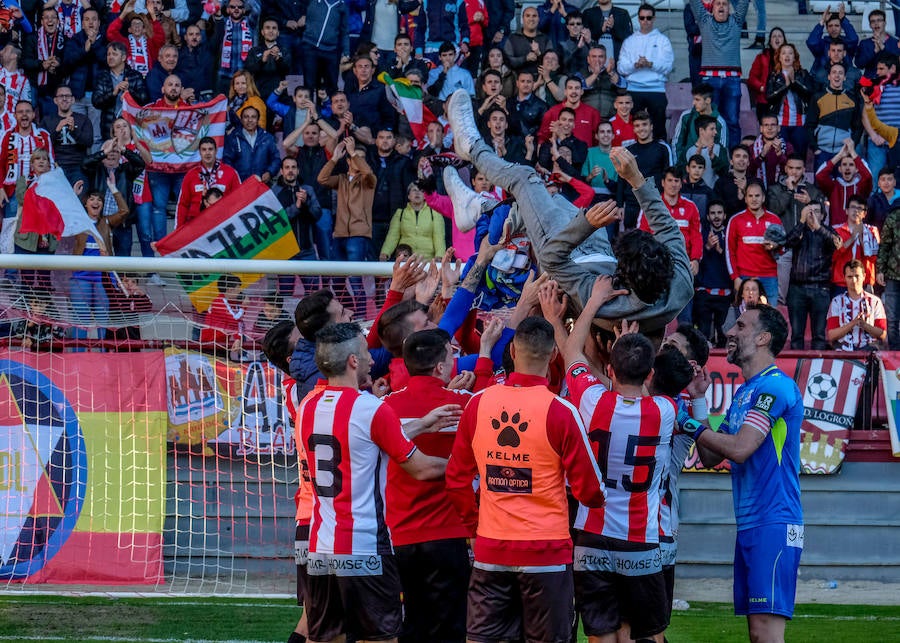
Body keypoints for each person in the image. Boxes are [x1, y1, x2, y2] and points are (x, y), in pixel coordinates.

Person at [447, 89, 693, 333]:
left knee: (526, 178)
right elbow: (668, 228)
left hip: (564, 259)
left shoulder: (604, 303)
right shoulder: (680, 284)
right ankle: (479, 207)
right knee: (557, 200)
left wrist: (586, 224)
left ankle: (472, 147)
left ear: (622, 278)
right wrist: (636, 179)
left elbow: (552, 257)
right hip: (596, 251)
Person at [445, 315, 606, 643]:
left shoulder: (479, 404)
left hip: (491, 548)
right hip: (545, 553)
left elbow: (456, 478)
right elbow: (591, 491)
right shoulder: (561, 411)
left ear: (513, 353)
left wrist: (473, 529)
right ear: (552, 358)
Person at [298, 322, 458, 643]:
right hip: (364, 546)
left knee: (325, 638)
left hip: (320, 547)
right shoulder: (370, 407)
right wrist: (472, 466)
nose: (372, 360)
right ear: (352, 361)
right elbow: (422, 469)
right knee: (381, 638)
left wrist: (420, 425)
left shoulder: (308, 406)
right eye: (366, 352)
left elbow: (361, 443)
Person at [555, 279, 675, 643]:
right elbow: (644, 387)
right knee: (649, 635)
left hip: (591, 539)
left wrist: (593, 302)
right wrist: (632, 346)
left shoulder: (592, 401)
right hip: (640, 541)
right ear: (650, 374)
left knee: (601, 635)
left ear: (609, 369)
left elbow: (572, 351)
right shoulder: (665, 411)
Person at [688, 304, 804, 643]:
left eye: (741, 325)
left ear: (763, 337)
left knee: (766, 634)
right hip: (754, 523)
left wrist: (689, 424)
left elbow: (740, 449)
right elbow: (709, 456)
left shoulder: (776, 388)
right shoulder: (744, 393)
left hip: (775, 522)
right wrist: (698, 401)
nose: (730, 332)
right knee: (758, 633)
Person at [381, 328, 478, 643]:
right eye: (451, 355)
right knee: (452, 628)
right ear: (440, 367)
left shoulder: (384, 407)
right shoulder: (462, 404)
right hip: (449, 535)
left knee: (412, 627)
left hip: (400, 536)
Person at [317, 136, 376, 314]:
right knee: (338, 282)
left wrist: (352, 152)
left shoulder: (367, 181)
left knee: (356, 281)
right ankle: (349, 312)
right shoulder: (342, 179)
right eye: (355, 157)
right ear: (349, 161)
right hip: (340, 234)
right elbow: (322, 179)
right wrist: (335, 157)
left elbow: (369, 173)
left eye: (362, 158)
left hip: (358, 235)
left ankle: (361, 318)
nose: (360, 161)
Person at [688, 0, 750, 149]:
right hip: (710, 80)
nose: (721, 6)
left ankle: (732, 159)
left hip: (732, 79)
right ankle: (708, 154)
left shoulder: (737, 21)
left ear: (729, 8)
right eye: (718, 4)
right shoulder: (704, 20)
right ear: (712, 8)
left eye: (725, 3)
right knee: (708, 120)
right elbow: (694, 2)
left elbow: (744, 2)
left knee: (732, 121)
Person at [784, 201, 841, 350]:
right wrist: (801, 221)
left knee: (819, 336)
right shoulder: (800, 230)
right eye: (809, 211)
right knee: (796, 335)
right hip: (798, 289)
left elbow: (837, 244)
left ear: (822, 215)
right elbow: (788, 242)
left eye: (816, 211)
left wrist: (819, 228)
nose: (812, 214)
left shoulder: (828, 231)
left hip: (820, 289)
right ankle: (796, 371)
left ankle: (818, 370)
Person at [616, 4, 673, 141]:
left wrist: (650, 64)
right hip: (634, 89)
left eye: (648, 18)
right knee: (633, 129)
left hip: (657, 89)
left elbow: (668, 66)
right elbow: (621, 67)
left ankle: (662, 158)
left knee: (658, 129)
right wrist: (635, 65)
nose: (645, 21)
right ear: (638, 19)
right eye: (642, 18)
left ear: (654, 19)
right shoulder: (629, 41)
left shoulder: (663, 40)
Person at [725, 181, 781, 302]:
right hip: (745, 277)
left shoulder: (774, 220)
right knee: (747, 319)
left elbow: (784, 250)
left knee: (769, 319)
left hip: (770, 278)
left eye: (757, 196)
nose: (754, 199)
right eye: (750, 196)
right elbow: (729, 252)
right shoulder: (736, 220)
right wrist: (735, 277)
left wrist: (775, 247)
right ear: (745, 198)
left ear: (763, 198)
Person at [175, 136, 241, 229]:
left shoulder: (230, 173)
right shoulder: (191, 175)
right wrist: (178, 230)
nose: (207, 153)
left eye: (210, 149)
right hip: (196, 226)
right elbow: (183, 204)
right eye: (204, 150)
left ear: (216, 151)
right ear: (199, 152)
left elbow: (239, 200)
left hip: (222, 225)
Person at [806, 61, 862, 170]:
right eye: (834, 72)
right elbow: (809, 124)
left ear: (845, 77)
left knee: (841, 185)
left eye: (840, 73)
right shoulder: (818, 97)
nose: (837, 75)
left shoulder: (852, 99)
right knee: (821, 186)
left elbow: (858, 127)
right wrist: (815, 148)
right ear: (829, 76)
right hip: (822, 152)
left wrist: (851, 147)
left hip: (843, 152)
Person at [766, 43, 814, 159]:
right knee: (780, 158)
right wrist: (786, 86)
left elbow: (809, 94)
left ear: (795, 57)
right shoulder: (773, 76)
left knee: (799, 157)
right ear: (779, 57)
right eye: (784, 53)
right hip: (780, 124)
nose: (787, 56)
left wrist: (794, 82)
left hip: (800, 124)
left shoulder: (803, 74)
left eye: (790, 53)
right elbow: (770, 98)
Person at [92, 41, 149, 138]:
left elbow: (144, 99)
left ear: (123, 58)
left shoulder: (135, 75)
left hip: (132, 126)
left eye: (114, 54)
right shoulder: (102, 77)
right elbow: (96, 102)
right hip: (109, 127)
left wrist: (129, 90)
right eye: (108, 54)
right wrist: (113, 93)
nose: (110, 57)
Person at [827, 259, 888, 350]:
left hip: (869, 350)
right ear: (844, 278)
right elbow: (831, 335)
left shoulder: (875, 301)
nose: (854, 280)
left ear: (864, 276)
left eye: (857, 276)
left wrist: (864, 325)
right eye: (850, 277)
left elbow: (883, 334)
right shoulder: (836, 302)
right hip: (843, 351)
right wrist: (853, 323)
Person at [695, 200, 732, 346]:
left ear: (724, 215)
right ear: (708, 216)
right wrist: (708, 247)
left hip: (725, 292)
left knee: (723, 334)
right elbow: (696, 259)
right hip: (705, 291)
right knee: (703, 332)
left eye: (719, 213)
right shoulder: (702, 233)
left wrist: (720, 251)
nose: (716, 216)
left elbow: (733, 259)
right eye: (713, 213)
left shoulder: (730, 232)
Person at [40, 84, 93, 187]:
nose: (64, 99)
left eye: (67, 96)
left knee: (79, 200)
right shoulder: (47, 120)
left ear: (73, 100)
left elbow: (89, 142)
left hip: (78, 166)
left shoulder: (83, 119)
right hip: (55, 166)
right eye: (61, 96)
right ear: (55, 100)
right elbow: (42, 145)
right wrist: (57, 130)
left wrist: (74, 131)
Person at [379, 182, 445, 261]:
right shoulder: (400, 213)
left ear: (425, 196)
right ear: (408, 196)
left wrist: (440, 256)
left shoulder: (435, 212)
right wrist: (385, 253)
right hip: (405, 260)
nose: (417, 193)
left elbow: (439, 237)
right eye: (414, 190)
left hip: (427, 260)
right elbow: (392, 236)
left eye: (421, 190)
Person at [672, 82, 728, 169]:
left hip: (710, 171)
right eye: (694, 99)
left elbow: (722, 150)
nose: (693, 103)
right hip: (687, 170)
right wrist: (680, 166)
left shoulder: (720, 123)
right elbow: (677, 143)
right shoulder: (686, 116)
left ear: (708, 100)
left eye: (697, 100)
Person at [832, 196, 880, 291]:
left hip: (864, 283)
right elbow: (833, 256)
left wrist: (862, 237)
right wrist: (852, 237)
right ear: (846, 211)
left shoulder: (872, 231)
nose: (856, 211)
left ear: (865, 213)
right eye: (853, 207)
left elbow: (874, 257)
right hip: (842, 282)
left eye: (859, 208)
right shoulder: (836, 230)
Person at [222, 105, 280, 182]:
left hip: (262, 185)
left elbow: (276, 159)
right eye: (246, 117)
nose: (250, 120)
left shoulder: (267, 137)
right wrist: (234, 178)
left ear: (258, 119)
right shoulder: (233, 137)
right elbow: (227, 160)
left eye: (253, 117)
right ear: (241, 120)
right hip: (240, 186)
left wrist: (269, 172)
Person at [748, 28, 786, 120]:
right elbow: (752, 78)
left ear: (784, 40)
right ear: (770, 41)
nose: (777, 39)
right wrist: (762, 87)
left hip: (784, 102)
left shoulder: (790, 56)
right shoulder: (762, 57)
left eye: (780, 36)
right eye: (774, 36)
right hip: (765, 100)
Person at [877, 203, 900, 350]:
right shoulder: (894, 216)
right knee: (892, 319)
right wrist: (880, 270)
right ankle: (895, 354)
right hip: (893, 274)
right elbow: (884, 245)